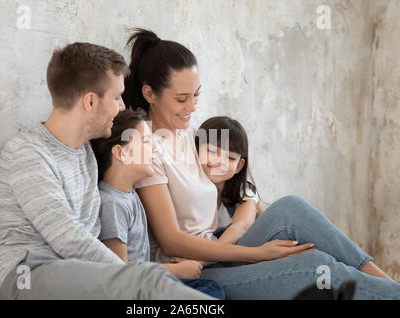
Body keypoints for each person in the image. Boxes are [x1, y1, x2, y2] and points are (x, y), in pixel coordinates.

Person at [122, 28, 400, 299]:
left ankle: (387, 285)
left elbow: (239, 183)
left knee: (291, 207)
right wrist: (258, 253)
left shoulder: (191, 134)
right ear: (149, 94)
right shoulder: (144, 145)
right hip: (192, 269)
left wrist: (243, 219)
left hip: (219, 248)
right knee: (315, 267)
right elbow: (171, 240)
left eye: (196, 95)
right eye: (182, 99)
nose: (193, 107)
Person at [0, 42, 214, 300]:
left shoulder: (85, 155)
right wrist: (136, 274)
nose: (121, 107)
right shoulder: (27, 152)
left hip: (78, 273)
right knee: (149, 283)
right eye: (117, 97)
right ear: (91, 101)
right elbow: (68, 239)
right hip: (27, 275)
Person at [91, 108, 225, 299]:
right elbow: (118, 269)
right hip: (136, 290)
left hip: (149, 281)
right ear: (121, 153)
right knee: (210, 289)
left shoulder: (129, 194)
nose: (154, 148)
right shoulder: (112, 203)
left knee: (210, 285)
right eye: (146, 142)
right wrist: (174, 271)